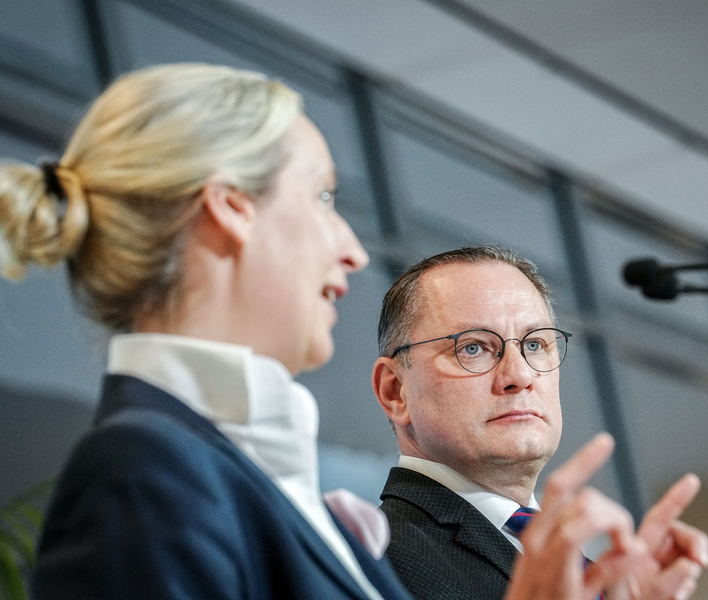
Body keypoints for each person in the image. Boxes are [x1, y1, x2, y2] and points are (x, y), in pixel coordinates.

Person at [0, 62, 411, 599]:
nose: (355, 252)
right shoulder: (142, 470)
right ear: (232, 208)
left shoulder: (229, 477)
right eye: (323, 198)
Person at [372, 246, 708, 600]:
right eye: (472, 348)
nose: (519, 375)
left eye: (534, 344)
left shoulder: (585, 575)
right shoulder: (376, 560)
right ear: (395, 391)